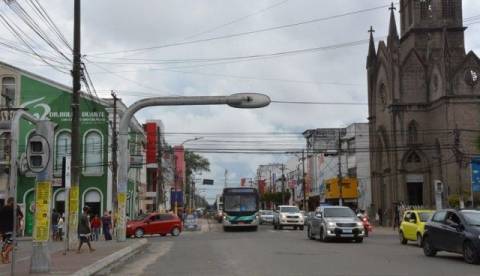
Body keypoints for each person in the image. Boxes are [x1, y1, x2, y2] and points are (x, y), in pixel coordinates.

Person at [0, 197, 23, 264]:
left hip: (3, 230)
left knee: (6, 244)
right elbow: (21, 216)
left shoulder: (2, 209)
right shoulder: (15, 208)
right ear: (12, 202)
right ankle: (5, 253)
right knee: (13, 244)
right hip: (11, 228)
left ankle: (6, 259)